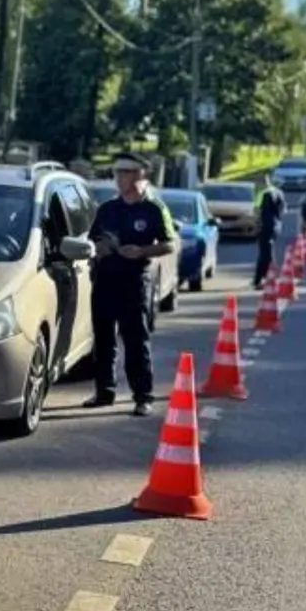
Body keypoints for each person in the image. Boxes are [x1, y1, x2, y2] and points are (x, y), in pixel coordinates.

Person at [79, 152, 176, 417]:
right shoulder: (108, 209)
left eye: (125, 172)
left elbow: (170, 243)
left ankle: (143, 395)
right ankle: (104, 391)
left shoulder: (154, 209)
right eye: (117, 172)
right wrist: (99, 249)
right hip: (105, 280)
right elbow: (92, 241)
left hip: (134, 282)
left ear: (140, 174)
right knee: (103, 340)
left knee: (135, 340)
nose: (119, 178)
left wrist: (143, 251)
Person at [253, 173, 286, 289]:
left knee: (264, 254)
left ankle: (263, 279)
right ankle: (266, 278)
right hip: (276, 226)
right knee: (268, 251)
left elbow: (257, 211)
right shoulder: (279, 193)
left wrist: (256, 226)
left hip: (266, 226)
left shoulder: (262, 193)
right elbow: (283, 210)